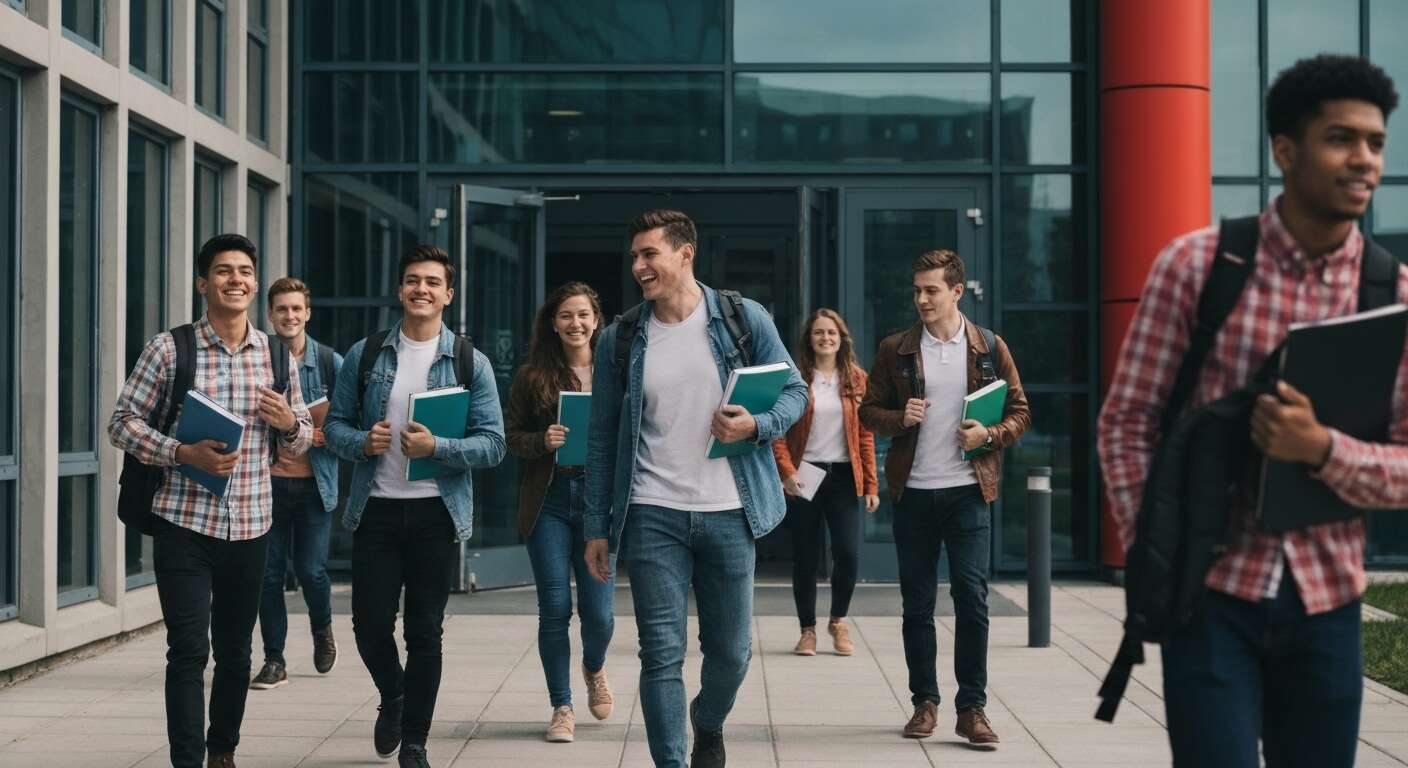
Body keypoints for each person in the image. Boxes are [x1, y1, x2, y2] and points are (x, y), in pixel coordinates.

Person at [1097, 54, 1401, 768]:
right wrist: (1158, 545)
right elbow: (1128, 422)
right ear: (1285, 150)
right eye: (1341, 139)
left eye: (1376, 142)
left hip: (1329, 603)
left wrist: (1321, 448)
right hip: (1212, 598)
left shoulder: (1393, 293)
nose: (1364, 159)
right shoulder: (1200, 266)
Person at [582, 209, 807, 768]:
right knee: (661, 654)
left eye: (649, 254)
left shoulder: (742, 318)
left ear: (686, 254)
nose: (638, 266)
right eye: (634, 257)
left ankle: (707, 720)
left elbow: (795, 392)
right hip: (651, 511)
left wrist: (756, 425)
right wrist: (596, 526)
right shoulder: (620, 338)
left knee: (731, 653)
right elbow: (601, 438)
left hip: (731, 509)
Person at [109, 234, 313, 768]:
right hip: (183, 522)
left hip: (251, 525)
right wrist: (181, 452)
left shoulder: (276, 354)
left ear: (255, 284)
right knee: (188, 651)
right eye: (223, 271)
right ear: (203, 283)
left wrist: (289, 423)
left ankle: (222, 749)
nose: (235, 280)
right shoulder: (169, 349)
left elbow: (301, 440)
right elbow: (122, 423)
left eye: (244, 271)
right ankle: (187, 760)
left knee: (236, 653)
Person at [323, 245, 507, 768]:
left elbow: (494, 443)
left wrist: (437, 448)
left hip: (435, 514)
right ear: (400, 289)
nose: (420, 289)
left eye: (431, 282)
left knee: (425, 632)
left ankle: (416, 742)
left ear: (448, 294)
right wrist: (363, 442)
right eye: (412, 280)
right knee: (369, 625)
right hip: (377, 510)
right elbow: (333, 428)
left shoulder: (470, 362)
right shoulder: (365, 354)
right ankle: (395, 695)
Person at [858, 249, 1029, 747]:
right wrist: (899, 418)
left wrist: (988, 435)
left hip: (968, 492)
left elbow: (1019, 410)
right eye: (917, 290)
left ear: (957, 291)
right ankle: (924, 703)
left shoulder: (989, 348)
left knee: (972, 600)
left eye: (931, 290)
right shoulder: (896, 349)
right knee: (917, 604)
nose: (922, 299)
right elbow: (868, 410)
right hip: (913, 493)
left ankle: (972, 708)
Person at [504, 281, 616, 743]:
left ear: (596, 320)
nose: (576, 323)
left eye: (584, 314)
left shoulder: (615, 372)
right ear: (553, 323)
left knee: (599, 615)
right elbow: (508, 435)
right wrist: (541, 440)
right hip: (549, 499)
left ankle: (594, 667)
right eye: (566, 315)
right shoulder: (533, 376)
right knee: (554, 609)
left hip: (598, 501)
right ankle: (562, 705)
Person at [249, 277, 342, 691]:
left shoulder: (330, 362)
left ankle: (322, 628)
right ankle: (275, 659)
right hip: (266, 484)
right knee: (268, 576)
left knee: (311, 571)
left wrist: (321, 434)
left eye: (296, 309)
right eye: (281, 309)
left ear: (307, 313)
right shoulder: (258, 358)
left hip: (313, 485)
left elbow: (352, 423)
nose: (289, 315)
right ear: (270, 314)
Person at [772, 308, 879, 657]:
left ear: (841, 338)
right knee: (805, 556)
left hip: (843, 476)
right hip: (805, 475)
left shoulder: (857, 380)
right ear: (809, 339)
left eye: (831, 333)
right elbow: (778, 431)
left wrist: (871, 484)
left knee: (847, 553)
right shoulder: (794, 379)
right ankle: (807, 630)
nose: (825, 338)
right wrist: (786, 471)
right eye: (818, 332)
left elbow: (865, 435)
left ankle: (838, 621)